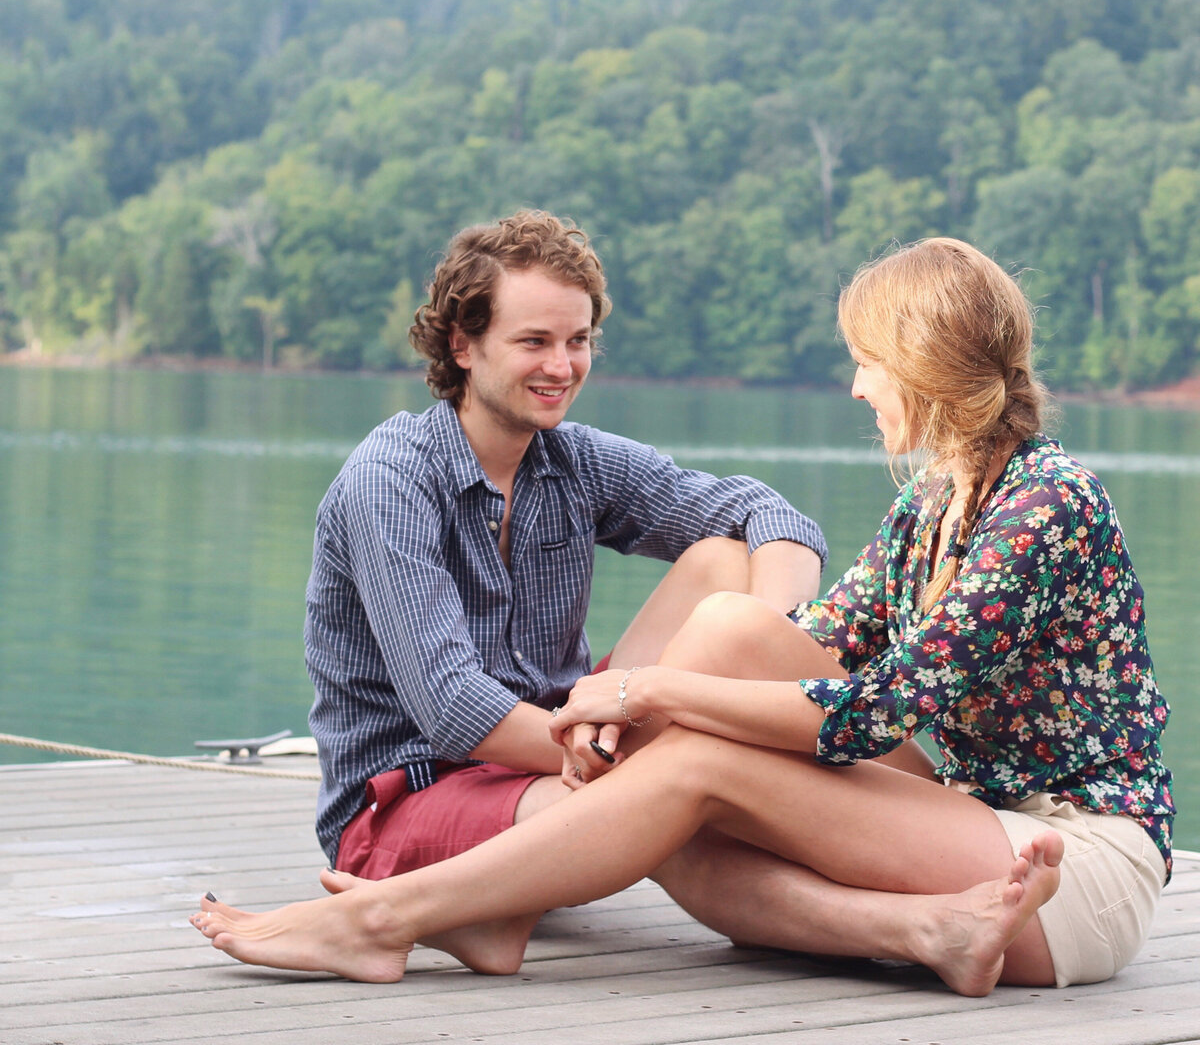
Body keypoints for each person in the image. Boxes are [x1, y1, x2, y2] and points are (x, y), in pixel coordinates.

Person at [193, 238, 1173, 996]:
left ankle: (383, 922)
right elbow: (818, 641)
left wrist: (650, 694)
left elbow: (873, 711)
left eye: (868, 362)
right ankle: (928, 932)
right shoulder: (940, 501)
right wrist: (667, 703)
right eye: (535, 340)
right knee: (699, 739)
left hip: (1069, 861)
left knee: (693, 757)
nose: (857, 384)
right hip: (977, 833)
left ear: (920, 366)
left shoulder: (1047, 507)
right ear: (466, 344)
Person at [304, 208, 827, 895]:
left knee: (724, 564)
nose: (561, 366)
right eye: (534, 341)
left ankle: (507, 908)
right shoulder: (391, 479)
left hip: (555, 758)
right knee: (670, 798)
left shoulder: (570, 461)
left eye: (577, 340)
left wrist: (766, 641)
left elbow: (771, 514)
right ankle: (912, 919)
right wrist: (612, 749)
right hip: (404, 805)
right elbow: (452, 706)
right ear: (463, 345)